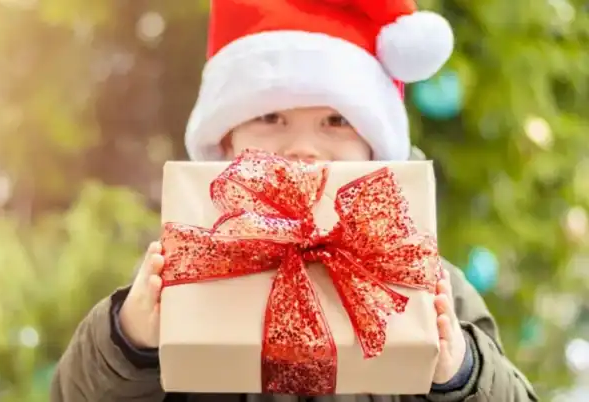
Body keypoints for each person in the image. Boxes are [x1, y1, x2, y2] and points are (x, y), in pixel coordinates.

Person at [51, 0, 540, 401]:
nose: (303, 148)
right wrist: (128, 340)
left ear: (376, 148)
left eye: (336, 122)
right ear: (225, 143)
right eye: (270, 117)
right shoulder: (190, 261)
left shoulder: (425, 275)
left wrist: (462, 373)